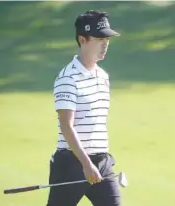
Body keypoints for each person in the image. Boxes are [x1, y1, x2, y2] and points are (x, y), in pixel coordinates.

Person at [46, 10, 121, 206]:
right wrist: (86, 165)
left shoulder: (103, 76)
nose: (105, 44)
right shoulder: (67, 78)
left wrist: (97, 162)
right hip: (72, 163)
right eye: (99, 38)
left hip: (102, 162)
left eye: (107, 39)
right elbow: (66, 126)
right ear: (82, 39)